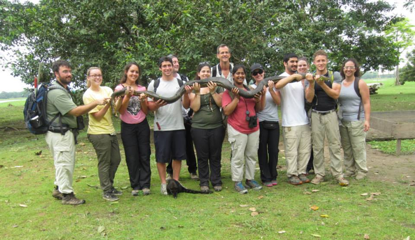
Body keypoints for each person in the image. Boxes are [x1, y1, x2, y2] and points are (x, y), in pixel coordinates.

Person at [48, 60, 108, 205]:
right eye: (65, 72)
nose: (69, 74)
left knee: (62, 162)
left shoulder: (61, 89)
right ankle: (67, 195)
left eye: (69, 71)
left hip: (61, 132)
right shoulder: (56, 92)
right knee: (64, 163)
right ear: (56, 74)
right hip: (60, 133)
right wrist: (96, 102)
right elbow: (74, 111)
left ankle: (58, 188)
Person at [305, 50, 349, 186]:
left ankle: (338, 174)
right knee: (317, 146)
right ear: (314, 63)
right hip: (316, 114)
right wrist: (312, 83)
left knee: (334, 145)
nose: (321, 63)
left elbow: (335, 94)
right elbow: (309, 98)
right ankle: (319, 174)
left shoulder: (333, 75)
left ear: (327, 61)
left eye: (323, 60)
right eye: (318, 61)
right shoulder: (310, 77)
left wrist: (322, 83)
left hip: (330, 113)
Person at [147, 56, 190, 195]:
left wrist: (188, 94)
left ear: (173, 67)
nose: (167, 68)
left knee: (178, 156)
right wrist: (156, 104)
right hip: (162, 127)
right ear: (160, 68)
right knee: (161, 157)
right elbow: (150, 107)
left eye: (169, 65)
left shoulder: (180, 82)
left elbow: (186, 105)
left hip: (178, 125)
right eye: (164, 66)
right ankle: (164, 184)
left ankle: (175, 182)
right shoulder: (154, 84)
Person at [222, 64, 264, 194]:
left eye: (242, 73)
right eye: (237, 73)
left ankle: (250, 179)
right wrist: (236, 98)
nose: (240, 75)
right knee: (238, 156)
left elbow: (259, 109)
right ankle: (237, 181)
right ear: (233, 75)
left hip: (253, 128)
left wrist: (258, 100)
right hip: (237, 128)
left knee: (251, 155)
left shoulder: (251, 89)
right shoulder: (227, 92)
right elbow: (227, 111)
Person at [83, 67, 122, 202]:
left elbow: (116, 109)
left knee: (116, 159)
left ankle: (109, 186)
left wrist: (121, 98)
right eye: (94, 75)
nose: (97, 77)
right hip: (98, 133)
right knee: (104, 162)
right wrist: (106, 104)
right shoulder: (88, 95)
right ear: (88, 78)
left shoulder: (107, 90)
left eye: (99, 75)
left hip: (110, 130)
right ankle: (107, 191)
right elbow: (98, 116)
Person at [114, 62, 151, 196]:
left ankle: (146, 184)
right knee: (132, 156)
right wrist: (127, 96)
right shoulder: (119, 88)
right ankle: (135, 185)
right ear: (126, 72)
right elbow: (121, 110)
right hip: (127, 126)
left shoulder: (142, 88)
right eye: (131, 71)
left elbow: (146, 111)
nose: (134, 74)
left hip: (142, 124)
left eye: (136, 72)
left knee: (145, 154)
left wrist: (142, 100)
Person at [275, 53, 312, 185]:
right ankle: (292, 174)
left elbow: (309, 97)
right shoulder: (282, 77)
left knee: (304, 150)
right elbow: (277, 86)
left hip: (303, 120)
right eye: (292, 62)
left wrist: (305, 80)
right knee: (291, 151)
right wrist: (293, 77)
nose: (295, 64)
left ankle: (302, 172)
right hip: (290, 121)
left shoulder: (302, 79)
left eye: (296, 62)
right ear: (285, 63)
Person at [188, 62, 225, 192]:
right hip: (199, 127)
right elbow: (195, 107)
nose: (206, 73)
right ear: (198, 73)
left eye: (208, 71)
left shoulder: (217, 86)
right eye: (203, 71)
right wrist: (197, 93)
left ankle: (216, 180)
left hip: (216, 126)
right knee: (202, 156)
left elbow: (220, 104)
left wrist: (213, 91)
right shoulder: (193, 87)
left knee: (215, 155)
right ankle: (204, 182)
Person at [166, 54, 198, 180]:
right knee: (170, 145)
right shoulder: (162, 81)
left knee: (189, 145)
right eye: (174, 62)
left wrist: (190, 113)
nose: (177, 64)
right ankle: (170, 171)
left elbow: (190, 96)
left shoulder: (184, 78)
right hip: (170, 118)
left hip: (185, 116)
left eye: (177, 62)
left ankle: (192, 170)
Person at [338, 58, 370, 180]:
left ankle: (361, 170)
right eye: (346, 67)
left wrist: (367, 120)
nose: (348, 69)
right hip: (343, 120)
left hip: (357, 120)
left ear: (355, 69)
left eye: (351, 67)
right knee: (347, 147)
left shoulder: (360, 83)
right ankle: (350, 169)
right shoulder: (340, 83)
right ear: (343, 69)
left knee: (358, 146)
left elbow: (366, 102)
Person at [250, 63, 280, 187]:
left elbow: (278, 102)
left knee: (273, 150)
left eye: (260, 72)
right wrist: (261, 93)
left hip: (273, 121)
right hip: (260, 122)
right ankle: (265, 177)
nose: (258, 75)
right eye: (255, 73)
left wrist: (271, 90)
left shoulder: (273, 85)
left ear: (264, 72)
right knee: (262, 150)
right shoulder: (251, 88)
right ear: (252, 76)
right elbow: (258, 108)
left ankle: (273, 175)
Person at [297, 57, 314, 174]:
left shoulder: (311, 79)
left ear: (308, 66)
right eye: (299, 66)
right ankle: (303, 166)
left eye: (304, 65)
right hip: (298, 113)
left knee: (312, 140)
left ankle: (311, 165)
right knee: (301, 142)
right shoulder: (294, 80)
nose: (302, 67)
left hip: (311, 111)